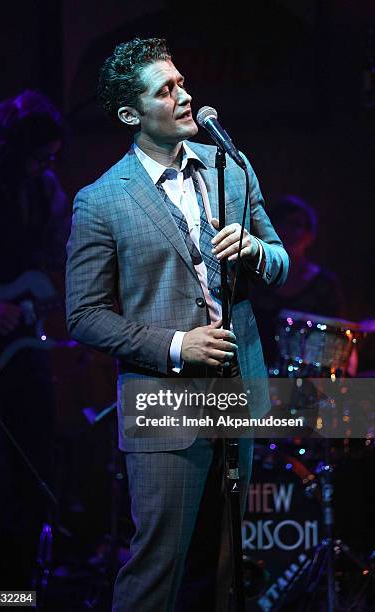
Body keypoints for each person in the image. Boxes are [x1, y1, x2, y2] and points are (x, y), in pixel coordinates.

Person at [66, 38, 289, 611]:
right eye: (165, 90)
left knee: (228, 565)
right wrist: (175, 345)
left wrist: (257, 253)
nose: (184, 95)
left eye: (181, 82)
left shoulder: (229, 168)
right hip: (164, 401)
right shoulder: (101, 201)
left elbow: (280, 258)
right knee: (158, 568)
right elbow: (84, 316)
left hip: (237, 391)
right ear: (129, 115)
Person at [0, 90, 69, 590]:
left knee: (33, 474)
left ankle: (10, 597)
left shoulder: (45, 191)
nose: (42, 165)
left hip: (22, 348)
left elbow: (57, 257)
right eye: (36, 155)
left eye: (48, 157)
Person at [252, 195, 345, 369]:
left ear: (310, 235)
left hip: (308, 381)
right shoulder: (254, 278)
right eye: (282, 223)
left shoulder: (324, 283)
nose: (288, 231)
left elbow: (337, 339)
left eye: (296, 225)